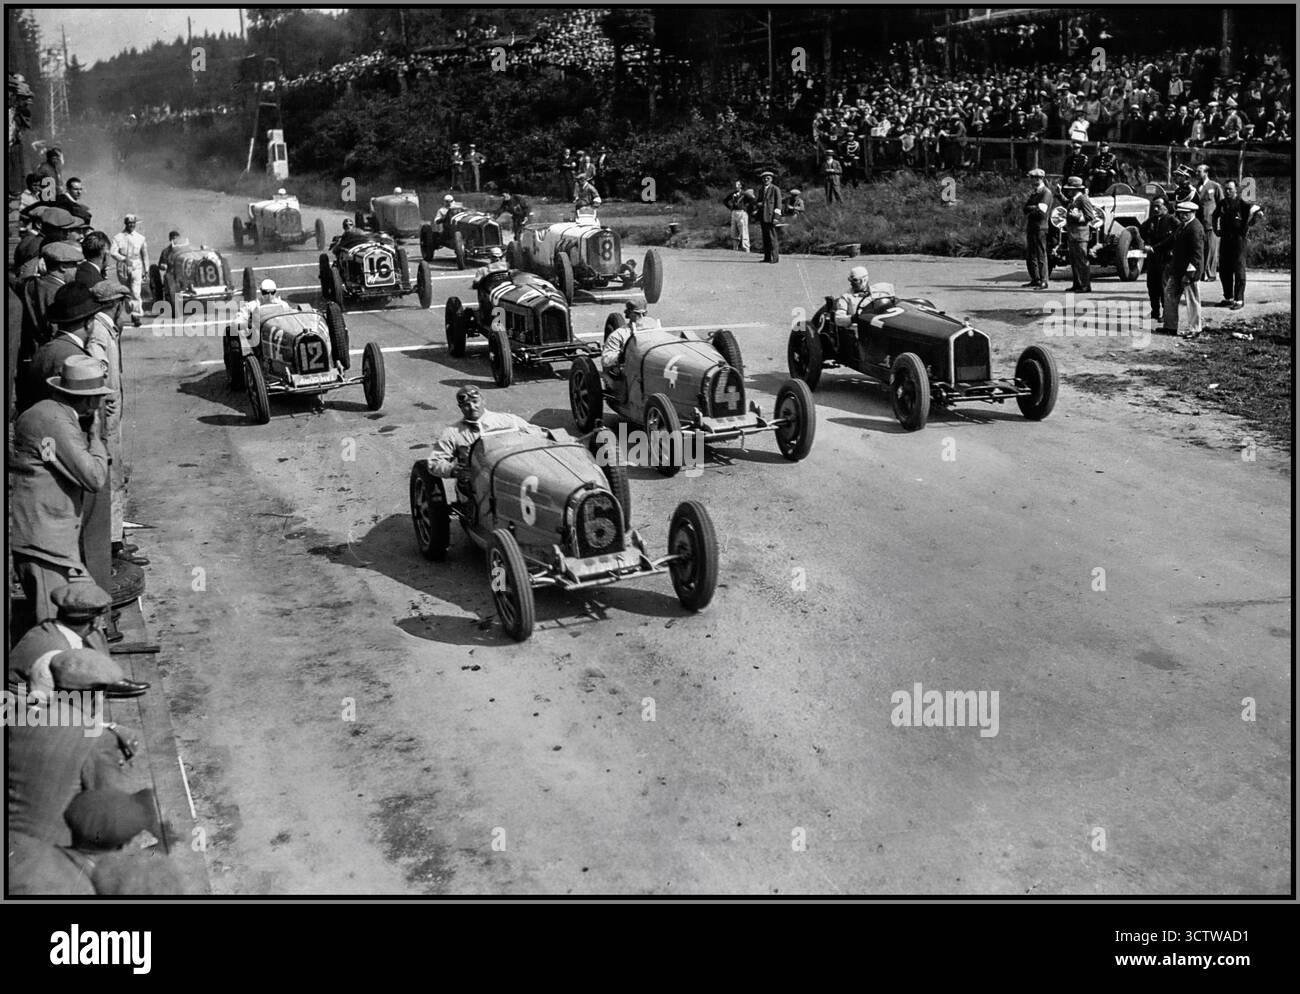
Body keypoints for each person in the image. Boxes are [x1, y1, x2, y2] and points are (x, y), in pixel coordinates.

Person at [10, 354, 111, 630]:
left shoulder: (48, 412)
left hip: (47, 541)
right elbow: (94, 476)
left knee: (80, 615)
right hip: (44, 546)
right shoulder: (55, 422)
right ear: (90, 400)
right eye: (99, 396)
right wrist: (96, 438)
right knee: (56, 630)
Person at [6, 648, 136, 848]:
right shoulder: (97, 740)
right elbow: (113, 817)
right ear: (97, 694)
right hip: (50, 857)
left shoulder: (19, 720)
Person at [8, 580, 118, 691]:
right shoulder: (56, 653)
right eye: (102, 615)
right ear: (95, 621)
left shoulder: (52, 627)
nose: (103, 620)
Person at [427, 385, 541, 485]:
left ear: (483, 401)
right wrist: (452, 470)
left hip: (514, 476)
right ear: (460, 407)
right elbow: (434, 462)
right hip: (476, 486)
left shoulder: (508, 420)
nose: (472, 407)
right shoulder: (452, 432)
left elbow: (538, 433)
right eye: (466, 405)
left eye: (475, 402)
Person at [1213, 179, 1263, 310]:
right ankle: (1228, 297)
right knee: (1224, 270)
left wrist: (1258, 214)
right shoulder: (1222, 203)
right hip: (1225, 239)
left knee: (1239, 269)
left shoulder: (1243, 204)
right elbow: (1214, 216)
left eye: (1230, 189)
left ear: (1236, 190)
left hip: (1239, 240)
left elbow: (1256, 209)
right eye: (1226, 189)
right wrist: (1215, 229)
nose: (1227, 191)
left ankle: (1239, 299)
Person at [1167, 200, 1205, 338]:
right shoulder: (1183, 226)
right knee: (1170, 295)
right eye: (1180, 213)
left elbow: (1197, 255)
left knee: (1192, 300)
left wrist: (1189, 274)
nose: (1182, 216)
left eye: (1185, 214)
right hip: (1178, 270)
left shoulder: (1195, 228)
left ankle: (1195, 329)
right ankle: (1170, 326)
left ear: (1193, 213)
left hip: (1189, 271)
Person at [1138, 197, 1177, 322]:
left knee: (1163, 287)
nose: (1155, 209)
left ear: (1165, 206)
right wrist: (1148, 242)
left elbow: (1174, 237)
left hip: (1165, 258)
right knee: (1152, 286)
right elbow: (1142, 229)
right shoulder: (1151, 220)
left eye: (1158, 206)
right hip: (1153, 258)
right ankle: (1155, 311)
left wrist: (1156, 247)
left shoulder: (1172, 220)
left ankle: (1166, 313)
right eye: (1154, 206)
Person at [1059, 176, 1098, 292]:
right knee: (1074, 261)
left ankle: (1085, 285)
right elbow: (1067, 204)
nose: (1068, 191)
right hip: (1073, 235)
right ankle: (1077, 284)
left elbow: (1090, 216)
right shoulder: (1074, 199)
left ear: (1076, 189)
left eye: (1070, 189)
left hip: (1081, 235)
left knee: (1082, 261)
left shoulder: (1083, 199)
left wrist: (1078, 217)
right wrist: (1060, 195)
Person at [110, 214, 147, 327]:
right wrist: (123, 259)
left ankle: (136, 316)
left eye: (133, 223)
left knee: (136, 291)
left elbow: (145, 255)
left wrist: (147, 269)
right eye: (129, 223)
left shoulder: (140, 238)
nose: (131, 225)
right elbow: (113, 252)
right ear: (125, 224)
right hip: (123, 266)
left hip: (136, 265)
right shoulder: (118, 237)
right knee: (126, 291)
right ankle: (130, 308)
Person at [1022, 168, 1053, 289]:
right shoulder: (1035, 192)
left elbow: (1042, 212)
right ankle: (1035, 278)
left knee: (1041, 254)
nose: (1034, 180)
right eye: (1033, 178)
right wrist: (1033, 207)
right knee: (1031, 254)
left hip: (1041, 226)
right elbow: (1025, 209)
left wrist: (1032, 208)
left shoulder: (1046, 193)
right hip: (1032, 226)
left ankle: (1044, 280)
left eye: (1036, 178)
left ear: (1041, 179)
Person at [1194, 164, 1223, 281]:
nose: (1197, 174)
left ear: (1206, 172)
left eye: (1199, 171)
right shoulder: (1197, 187)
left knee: (1212, 248)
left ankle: (1211, 274)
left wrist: (1219, 221)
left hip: (1211, 222)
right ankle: (1202, 273)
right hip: (1200, 222)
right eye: (1196, 171)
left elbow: (1221, 204)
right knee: (1201, 248)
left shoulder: (1215, 186)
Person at [757, 171, 783, 264]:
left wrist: (776, 217)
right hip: (763, 217)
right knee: (765, 238)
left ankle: (775, 258)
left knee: (773, 238)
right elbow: (759, 202)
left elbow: (779, 204)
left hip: (771, 217)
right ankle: (767, 257)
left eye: (768, 178)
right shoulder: (761, 190)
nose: (766, 180)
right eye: (764, 178)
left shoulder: (775, 189)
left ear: (771, 179)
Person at [723, 181, 752, 251]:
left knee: (744, 230)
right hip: (734, 212)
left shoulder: (744, 194)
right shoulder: (732, 194)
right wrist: (730, 207)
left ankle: (746, 247)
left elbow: (752, 200)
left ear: (741, 186)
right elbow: (725, 201)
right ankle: (735, 247)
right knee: (734, 230)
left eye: (738, 184)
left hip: (742, 212)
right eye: (735, 184)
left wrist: (747, 208)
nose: (736, 186)